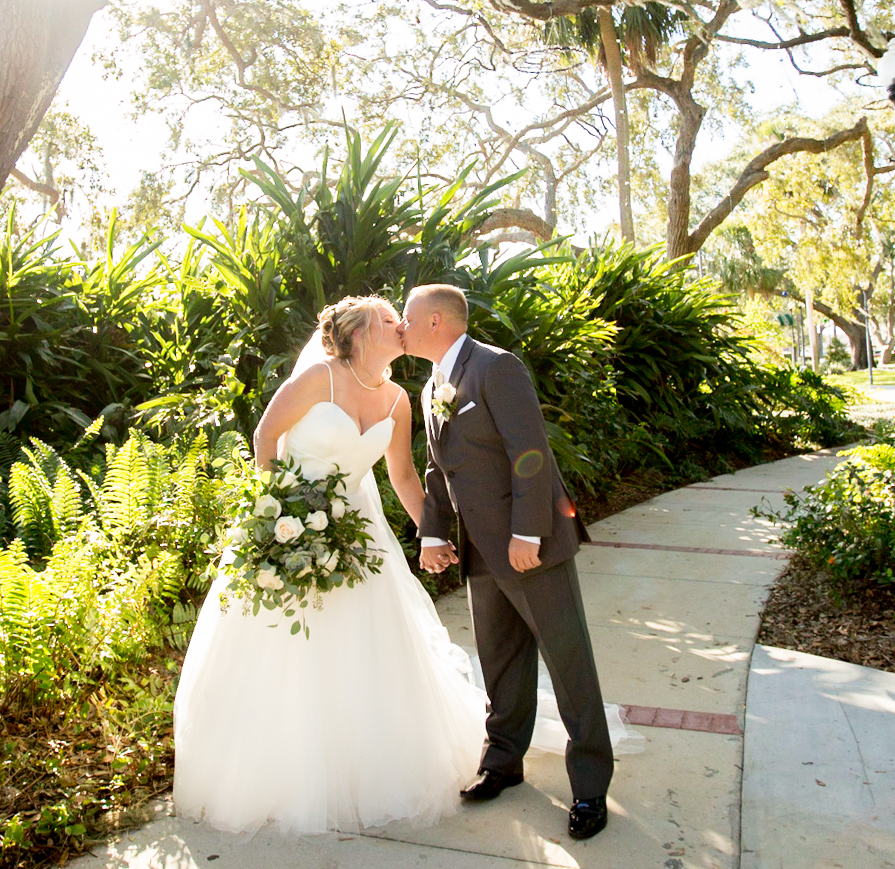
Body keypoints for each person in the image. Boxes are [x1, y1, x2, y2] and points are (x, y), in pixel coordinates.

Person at [172, 294, 487, 834]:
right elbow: (265, 435)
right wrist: (278, 511)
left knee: (365, 647)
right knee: (287, 645)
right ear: (362, 333)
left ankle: (365, 761)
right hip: (289, 522)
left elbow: (404, 477)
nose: (402, 326)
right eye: (391, 321)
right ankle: (280, 770)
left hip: (356, 535)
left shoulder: (398, 400)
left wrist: (430, 534)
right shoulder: (320, 377)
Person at [400, 282, 616, 840]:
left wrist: (528, 532)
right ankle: (502, 764)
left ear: (436, 321)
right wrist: (432, 535)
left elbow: (531, 453)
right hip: (477, 552)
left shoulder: (496, 367)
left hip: (528, 546)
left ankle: (591, 787)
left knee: (568, 663)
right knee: (500, 662)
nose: (400, 326)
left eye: (407, 317)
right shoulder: (431, 386)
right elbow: (436, 470)